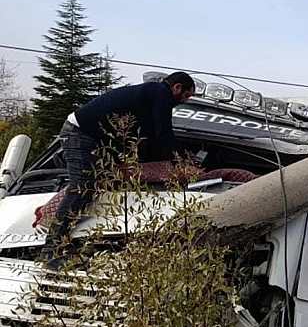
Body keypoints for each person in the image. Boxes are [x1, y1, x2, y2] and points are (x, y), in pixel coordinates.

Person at [40, 71, 196, 269]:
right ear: (177, 87)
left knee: (93, 185)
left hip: (91, 136)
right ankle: (50, 252)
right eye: (186, 95)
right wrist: (180, 163)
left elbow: (150, 139)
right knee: (83, 187)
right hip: (81, 133)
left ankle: (64, 247)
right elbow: (163, 133)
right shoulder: (160, 93)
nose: (185, 101)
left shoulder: (149, 97)